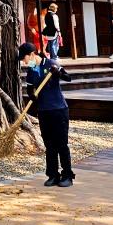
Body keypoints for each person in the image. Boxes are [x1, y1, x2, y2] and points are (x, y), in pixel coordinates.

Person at [19, 42, 74, 187]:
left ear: (32, 54)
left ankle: (67, 175)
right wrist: (31, 96)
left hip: (58, 109)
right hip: (43, 111)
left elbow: (68, 78)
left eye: (24, 58)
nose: (24, 62)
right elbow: (30, 89)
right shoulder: (31, 71)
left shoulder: (50, 63)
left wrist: (58, 73)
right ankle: (53, 175)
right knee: (49, 145)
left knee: (61, 144)